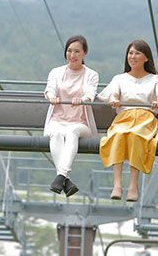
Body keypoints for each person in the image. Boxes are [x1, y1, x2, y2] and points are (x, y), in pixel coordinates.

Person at [97, 39, 158, 202]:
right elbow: (113, 93)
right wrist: (114, 99)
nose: (132, 57)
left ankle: (133, 185)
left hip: (144, 118)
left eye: (137, 53)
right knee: (118, 135)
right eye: (130, 53)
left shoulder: (155, 79)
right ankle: (117, 184)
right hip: (124, 117)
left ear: (146, 58)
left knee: (136, 136)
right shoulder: (120, 78)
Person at [44, 35, 99, 197]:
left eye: (76, 51)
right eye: (69, 51)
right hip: (57, 119)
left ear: (84, 54)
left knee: (71, 132)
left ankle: (61, 176)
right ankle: (64, 179)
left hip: (80, 122)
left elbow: (90, 94)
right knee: (57, 133)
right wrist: (52, 97)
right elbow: (50, 89)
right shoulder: (56, 72)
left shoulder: (91, 75)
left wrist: (82, 100)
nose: (72, 55)